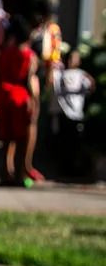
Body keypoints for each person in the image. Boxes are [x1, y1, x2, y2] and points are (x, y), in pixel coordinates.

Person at [0, 15, 38, 186]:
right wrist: (34, 102)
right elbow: (29, 81)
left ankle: (5, 173)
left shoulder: (4, 54)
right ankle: (20, 175)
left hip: (4, 94)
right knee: (20, 139)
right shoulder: (29, 56)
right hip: (20, 96)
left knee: (6, 139)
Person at [27, 0, 64, 181]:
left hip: (42, 74)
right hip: (29, 73)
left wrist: (49, 75)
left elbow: (54, 55)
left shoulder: (52, 31)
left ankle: (33, 157)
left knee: (37, 116)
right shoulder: (32, 30)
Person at [51, 47, 95, 179]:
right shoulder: (60, 74)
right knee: (63, 142)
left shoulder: (81, 75)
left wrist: (89, 78)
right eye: (68, 58)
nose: (70, 61)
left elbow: (90, 86)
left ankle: (73, 169)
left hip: (76, 114)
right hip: (63, 113)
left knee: (75, 143)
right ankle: (64, 168)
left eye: (73, 59)